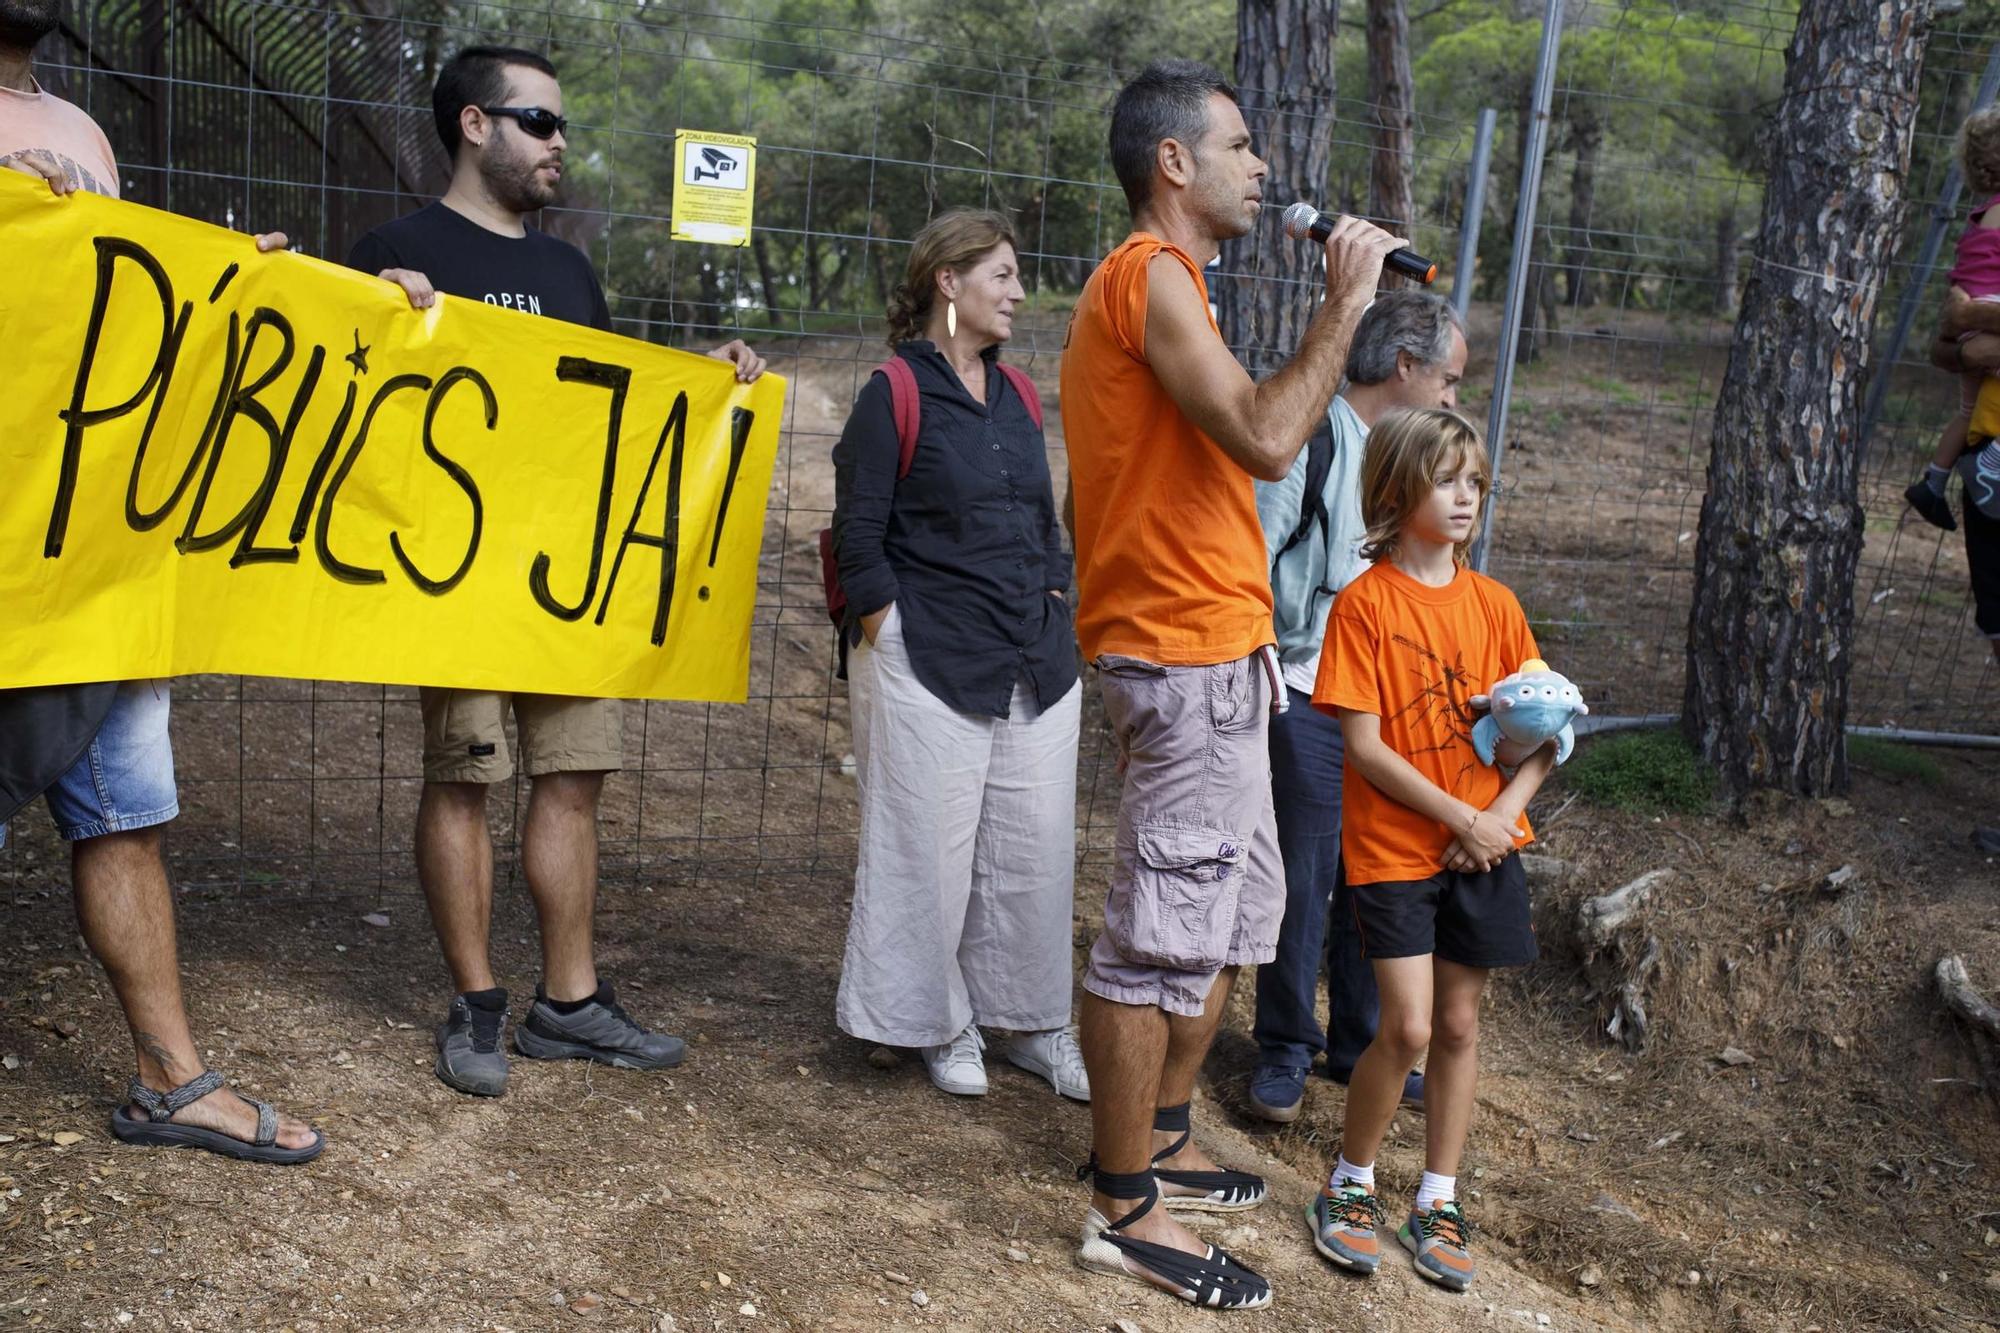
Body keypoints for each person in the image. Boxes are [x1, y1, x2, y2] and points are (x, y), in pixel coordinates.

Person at [344, 45, 766, 1098]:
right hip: (451, 576)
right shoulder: (394, 250)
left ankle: (567, 1005)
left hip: (566, 580)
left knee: (574, 775)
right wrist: (373, 319)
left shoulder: (569, 271)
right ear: (474, 125)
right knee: (464, 775)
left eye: (561, 125)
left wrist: (701, 385)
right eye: (538, 121)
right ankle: (477, 1002)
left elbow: (611, 422)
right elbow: (342, 419)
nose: (559, 143)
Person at [1060, 59, 1405, 1311]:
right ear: (1172, 163)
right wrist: (1346, 306)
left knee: (1224, 917)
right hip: (1183, 652)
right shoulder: (1145, 277)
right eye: (1241, 145)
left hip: (1214, 651)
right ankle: (1120, 1205)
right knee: (1157, 936)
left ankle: (1155, 1134)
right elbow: (1267, 434)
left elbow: (1106, 483)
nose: (1262, 168)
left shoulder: (1170, 290)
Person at [0, 0, 321, 1164]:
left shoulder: (82, 127)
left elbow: (118, 329)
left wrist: (234, 290)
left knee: (126, 815)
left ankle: (169, 1079)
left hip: (92, 560)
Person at [828, 209, 1087, 1102]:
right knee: (929, 852)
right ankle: (942, 1022)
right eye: (1004, 274)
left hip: (1035, 656)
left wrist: (1055, 594)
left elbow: (1043, 519)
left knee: (1035, 851)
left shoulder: (1017, 396)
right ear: (949, 281)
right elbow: (859, 539)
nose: (1019, 292)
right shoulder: (891, 390)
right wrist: (886, 631)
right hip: (928, 654)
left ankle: (1030, 1022)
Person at [1305, 408, 1557, 1295]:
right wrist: (1463, 817)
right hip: (1396, 851)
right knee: (1405, 1026)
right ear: (1396, 487)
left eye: (1475, 483)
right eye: (1447, 480)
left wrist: (1497, 820)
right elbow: (1366, 748)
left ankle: (1438, 1197)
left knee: (1457, 1026)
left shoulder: (1496, 605)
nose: (1464, 499)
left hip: (1483, 849)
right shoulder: (1366, 603)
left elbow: (1549, 733)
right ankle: (1351, 1181)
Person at [1246, 291, 1467, 1125]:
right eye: (1446, 379)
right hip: (1306, 690)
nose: (1452, 397)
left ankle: (1360, 1042)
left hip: (1388, 709)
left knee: (1376, 872)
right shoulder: (1318, 440)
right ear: (1404, 366)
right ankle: (1285, 1046)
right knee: (1303, 874)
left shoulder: (1414, 460)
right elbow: (1256, 560)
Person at [1905, 107, 2000, 533]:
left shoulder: (1982, 214)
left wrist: (1961, 317)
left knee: (1966, 410)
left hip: (1971, 317)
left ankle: (1933, 480)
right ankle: (1991, 466)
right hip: (1991, 313)